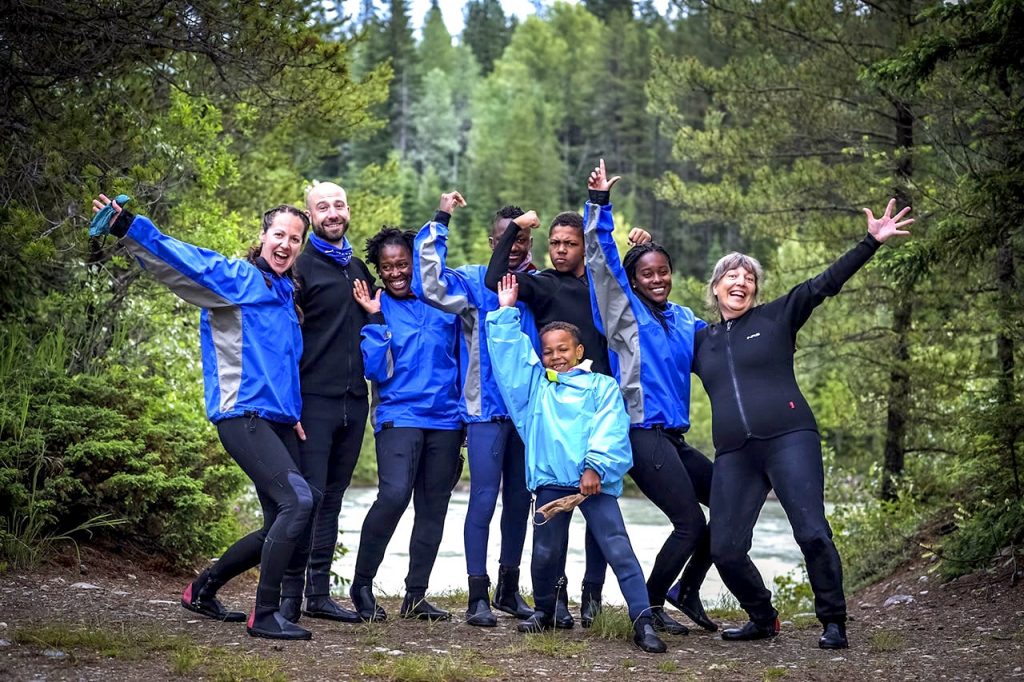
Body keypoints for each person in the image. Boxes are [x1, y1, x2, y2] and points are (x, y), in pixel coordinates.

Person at [89, 194, 314, 640]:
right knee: (299, 502)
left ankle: (202, 590)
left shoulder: (286, 295)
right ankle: (264, 615)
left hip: (279, 421)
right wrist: (128, 226)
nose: (285, 245)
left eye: (294, 238)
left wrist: (294, 412)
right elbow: (186, 262)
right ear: (263, 237)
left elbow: (280, 363)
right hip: (242, 417)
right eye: (278, 235)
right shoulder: (238, 279)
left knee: (283, 520)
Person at [698, 199, 913, 650]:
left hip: (789, 439)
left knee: (812, 531)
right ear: (715, 288)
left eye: (749, 277)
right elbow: (641, 326)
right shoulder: (701, 341)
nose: (741, 282)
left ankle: (833, 621)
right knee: (725, 549)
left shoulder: (778, 316)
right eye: (732, 276)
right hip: (735, 453)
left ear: (755, 290)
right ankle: (762, 617)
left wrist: (870, 242)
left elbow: (825, 283)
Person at [483, 211, 702, 630]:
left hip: (600, 403)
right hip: (558, 415)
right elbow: (499, 288)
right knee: (550, 541)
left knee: (607, 533)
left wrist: (640, 243)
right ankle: (552, 605)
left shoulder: (605, 285)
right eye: (555, 243)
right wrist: (516, 231)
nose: (561, 250)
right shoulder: (544, 287)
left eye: (570, 243)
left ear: (584, 247)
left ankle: (600, 601)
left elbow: (640, 281)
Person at [486, 273, 666, 654]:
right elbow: (509, 360)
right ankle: (545, 611)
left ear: (580, 351)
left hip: (593, 482)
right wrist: (505, 311)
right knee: (545, 552)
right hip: (552, 482)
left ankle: (643, 621)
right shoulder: (537, 388)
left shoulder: (602, 386)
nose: (555, 357)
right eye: (548, 351)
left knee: (618, 547)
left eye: (563, 349)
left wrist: (594, 467)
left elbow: (611, 429)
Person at [583, 160, 718, 636]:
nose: (657, 279)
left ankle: (687, 591)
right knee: (690, 525)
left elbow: (724, 346)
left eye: (664, 272)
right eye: (648, 274)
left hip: (674, 438)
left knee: (727, 505)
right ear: (634, 282)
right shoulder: (624, 316)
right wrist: (599, 204)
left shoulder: (684, 319)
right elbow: (601, 264)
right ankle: (654, 605)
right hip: (640, 435)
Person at [412, 192, 541, 626]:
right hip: (484, 410)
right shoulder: (470, 282)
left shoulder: (539, 285)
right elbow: (428, 283)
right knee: (483, 500)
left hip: (528, 414)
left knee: (520, 502)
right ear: (493, 241)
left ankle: (509, 589)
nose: (516, 246)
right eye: (508, 238)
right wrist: (441, 219)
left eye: (522, 239)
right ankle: (477, 596)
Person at [346, 227, 464, 622]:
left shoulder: (442, 303)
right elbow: (375, 370)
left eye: (402, 264)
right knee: (394, 496)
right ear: (379, 270)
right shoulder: (379, 307)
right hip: (399, 416)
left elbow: (462, 362)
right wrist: (376, 318)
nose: (396, 272)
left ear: (415, 263)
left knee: (433, 507)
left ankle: (415, 596)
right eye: (387, 266)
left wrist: (465, 416)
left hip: (447, 419)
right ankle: (361, 586)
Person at [279, 181, 376, 624]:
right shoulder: (300, 267)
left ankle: (319, 594)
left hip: (355, 401)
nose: (333, 213)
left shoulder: (358, 267)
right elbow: (281, 337)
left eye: (339, 204)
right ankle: (288, 597)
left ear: (348, 209)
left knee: (333, 498)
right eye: (323, 207)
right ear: (310, 214)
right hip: (312, 401)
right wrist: (289, 403)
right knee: (308, 497)